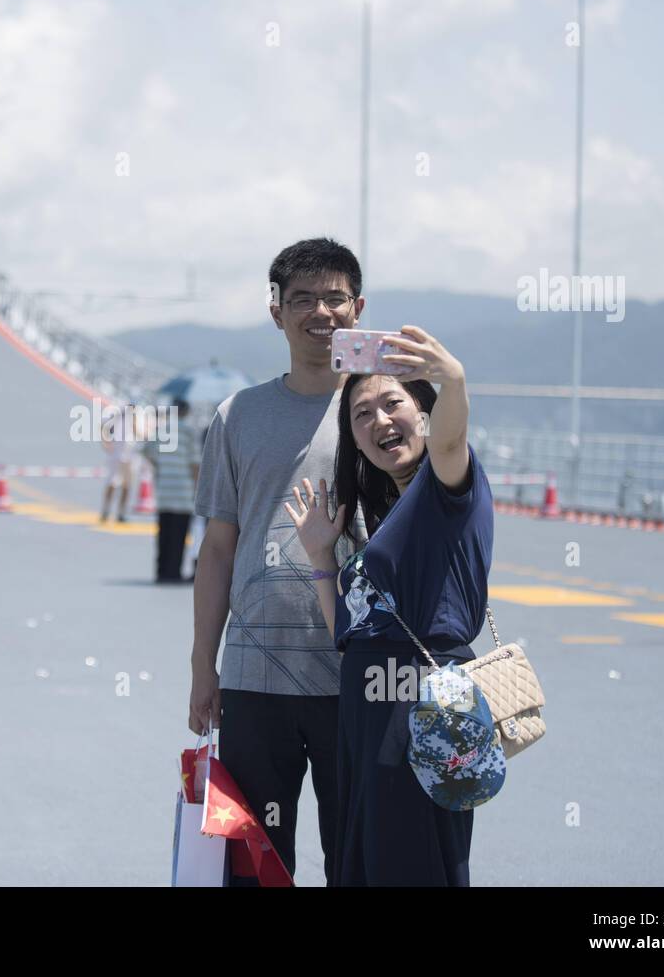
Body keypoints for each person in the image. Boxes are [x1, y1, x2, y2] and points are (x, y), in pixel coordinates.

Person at [284, 326, 492, 886]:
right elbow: (348, 635)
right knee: (364, 862)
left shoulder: (445, 489)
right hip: (367, 709)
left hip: (420, 707)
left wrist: (454, 379)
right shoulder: (384, 519)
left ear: (424, 412)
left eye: (393, 402)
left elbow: (452, 443)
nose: (379, 421)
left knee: (414, 861)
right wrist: (321, 555)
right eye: (362, 414)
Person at [189, 237, 369, 885]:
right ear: (277, 313)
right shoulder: (239, 414)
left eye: (334, 297)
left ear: (359, 306)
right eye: (302, 299)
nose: (320, 311)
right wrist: (201, 665)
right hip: (254, 673)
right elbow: (217, 549)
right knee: (254, 863)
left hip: (359, 673)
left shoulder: (382, 410)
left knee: (361, 854)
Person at [142, 399, 201, 583]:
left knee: (164, 532)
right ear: (186, 412)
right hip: (183, 491)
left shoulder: (162, 430)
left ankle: (161, 571)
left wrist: (160, 466)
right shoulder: (189, 432)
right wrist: (197, 487)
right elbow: (194, 462)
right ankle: (173, 572)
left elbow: (146, 451)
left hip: (165, 489)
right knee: (179, 535)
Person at [100, 405, 140, 523]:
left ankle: (121, 512)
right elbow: (104, 427)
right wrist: (105, 442)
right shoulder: (117, 412)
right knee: (112, 482)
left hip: (130, 455)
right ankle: (105, 510)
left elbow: (139, 432)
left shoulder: (138, 415)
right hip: (116, 455)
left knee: (127, 486)